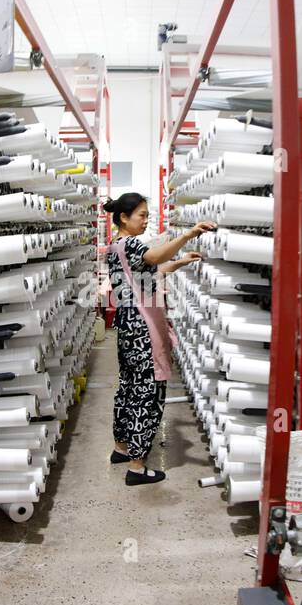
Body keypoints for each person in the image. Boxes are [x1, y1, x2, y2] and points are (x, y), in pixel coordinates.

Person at [102, 192, 215, 485]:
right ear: (124, 218)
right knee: (147, 394)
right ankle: (137, 467)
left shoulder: (115, 247)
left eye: (147, 215)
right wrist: (188, 234)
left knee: (129, 387)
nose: (146, 220)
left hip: (127, 327)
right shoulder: (130, 243)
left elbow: (149, 272)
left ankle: (122, 448)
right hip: (143, 330)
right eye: (141, 215)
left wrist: (179, 262)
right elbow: (153, 257)